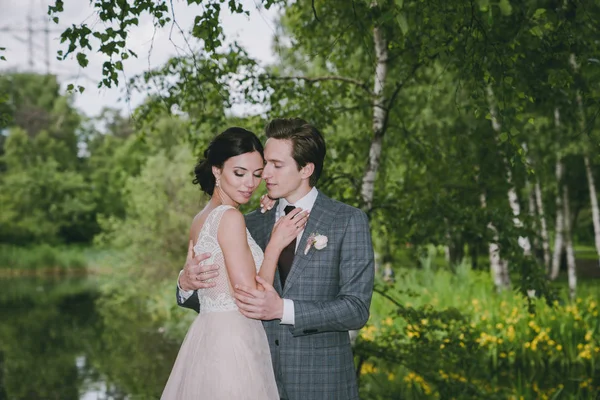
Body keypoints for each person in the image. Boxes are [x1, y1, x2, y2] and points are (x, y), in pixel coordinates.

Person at [178, 118, 375, 400]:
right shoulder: (247, 222)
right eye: (264, 164)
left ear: (306, 168)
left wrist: (283, 309)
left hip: (321, 384)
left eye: (275, 165)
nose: (265, 174)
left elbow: (356, 309)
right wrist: (185, 283)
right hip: (250, 375)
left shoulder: (347, 221)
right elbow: (221, 301)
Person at [162, 127, 309, 399]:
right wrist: (275, 244)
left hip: (208, 338)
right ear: (217, 171)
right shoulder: (230, 217)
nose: (249, 184)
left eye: (256, 175)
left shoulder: (200, 218)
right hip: (234, 344)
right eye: (239, 173)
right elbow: (249, 296)